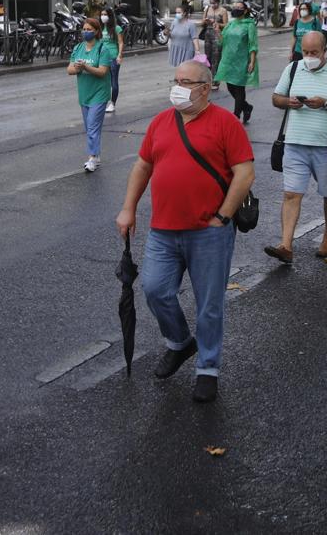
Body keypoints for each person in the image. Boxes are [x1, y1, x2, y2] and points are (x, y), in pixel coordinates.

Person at [116, 61, 255, 404]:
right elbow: (143, 165)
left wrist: (223, 217)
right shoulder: (162, 122)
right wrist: (128, 207)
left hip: (209, 232)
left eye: (186, 82)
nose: (177, 88)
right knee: (154, 289)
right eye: (175, 81)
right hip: (163, 230)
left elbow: (244, 173)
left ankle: (208, 369)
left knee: (209, 304)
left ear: (206, 88)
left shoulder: (225, 123)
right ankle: (180, 343)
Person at [264, 31, 327, 264]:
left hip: (325, 146)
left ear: (324, 51)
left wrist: (326, 103)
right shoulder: (293, 69)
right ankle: (286, 245)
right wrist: (289, 102)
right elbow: (276, 98)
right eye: (305, 52)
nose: (308, 56)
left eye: (313, 52)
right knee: (291, 193)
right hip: (294, 143)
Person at [66, 17, 114, 172]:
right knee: (90, 127)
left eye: (89, 30)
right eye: (84, 29)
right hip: (84, 94)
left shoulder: (102, 49)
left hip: (99, 94)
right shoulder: (78, 48)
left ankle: (92, 158)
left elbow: (102, 71)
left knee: (92, 126)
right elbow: (69, 70)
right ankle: (96, 155)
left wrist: (86, 67)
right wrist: (78, 68)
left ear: (97, 32)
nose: (86, 32)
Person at [216, 2, 259, 123]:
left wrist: (252, 61)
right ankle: (246, 107)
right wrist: (218, 32)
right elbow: (222, 42)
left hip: (242, 61)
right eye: (234, 7)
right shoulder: (230, 24)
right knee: (230, 87)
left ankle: (236, 115)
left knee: (239, 88)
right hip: (228, 60)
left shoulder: (249, 25)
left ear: (245, 11)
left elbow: (253, 44)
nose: (235, 9)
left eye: (239, 8)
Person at [99, 7, 125, 113]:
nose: (103, 17)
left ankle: (113, 103)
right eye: (102, 14)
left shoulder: (116, 28)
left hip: (113, 57)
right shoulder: (100, 28)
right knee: (103, 81)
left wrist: (119, 55)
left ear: (110, 16)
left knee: (113, 81)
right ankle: (102, 101)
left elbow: (120, 42)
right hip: (102, 58)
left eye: (105, 14)